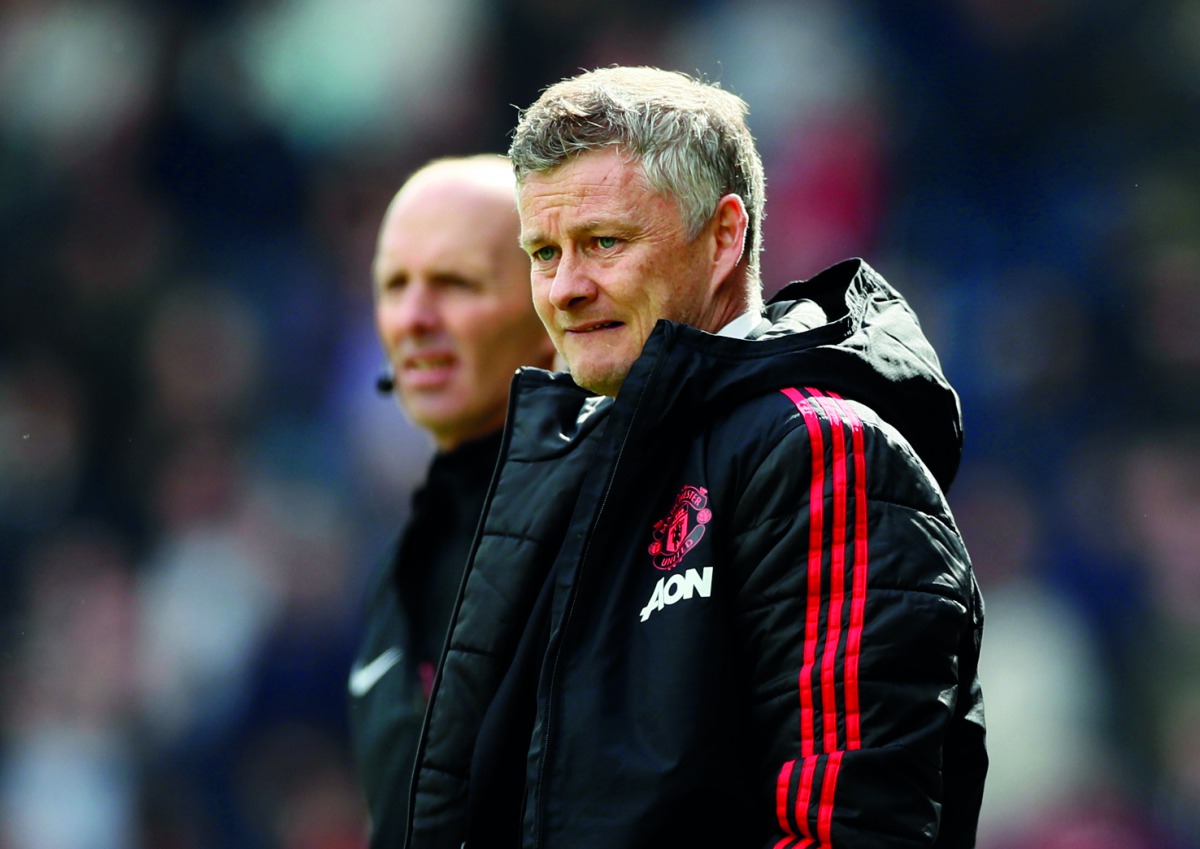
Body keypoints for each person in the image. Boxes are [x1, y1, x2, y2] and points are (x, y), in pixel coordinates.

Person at [406, 67, 987, 849]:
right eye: (544, 252)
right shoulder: (560, 466)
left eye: (604, 242)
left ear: (723, 237)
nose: (566, 287)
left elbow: (849, 829)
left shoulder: (818, 451)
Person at [347, 154, 557, 849]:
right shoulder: (397, 568)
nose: (413, 317)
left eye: (456, 283)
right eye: (393, 285)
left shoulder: (614, 527)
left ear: (550, 304)